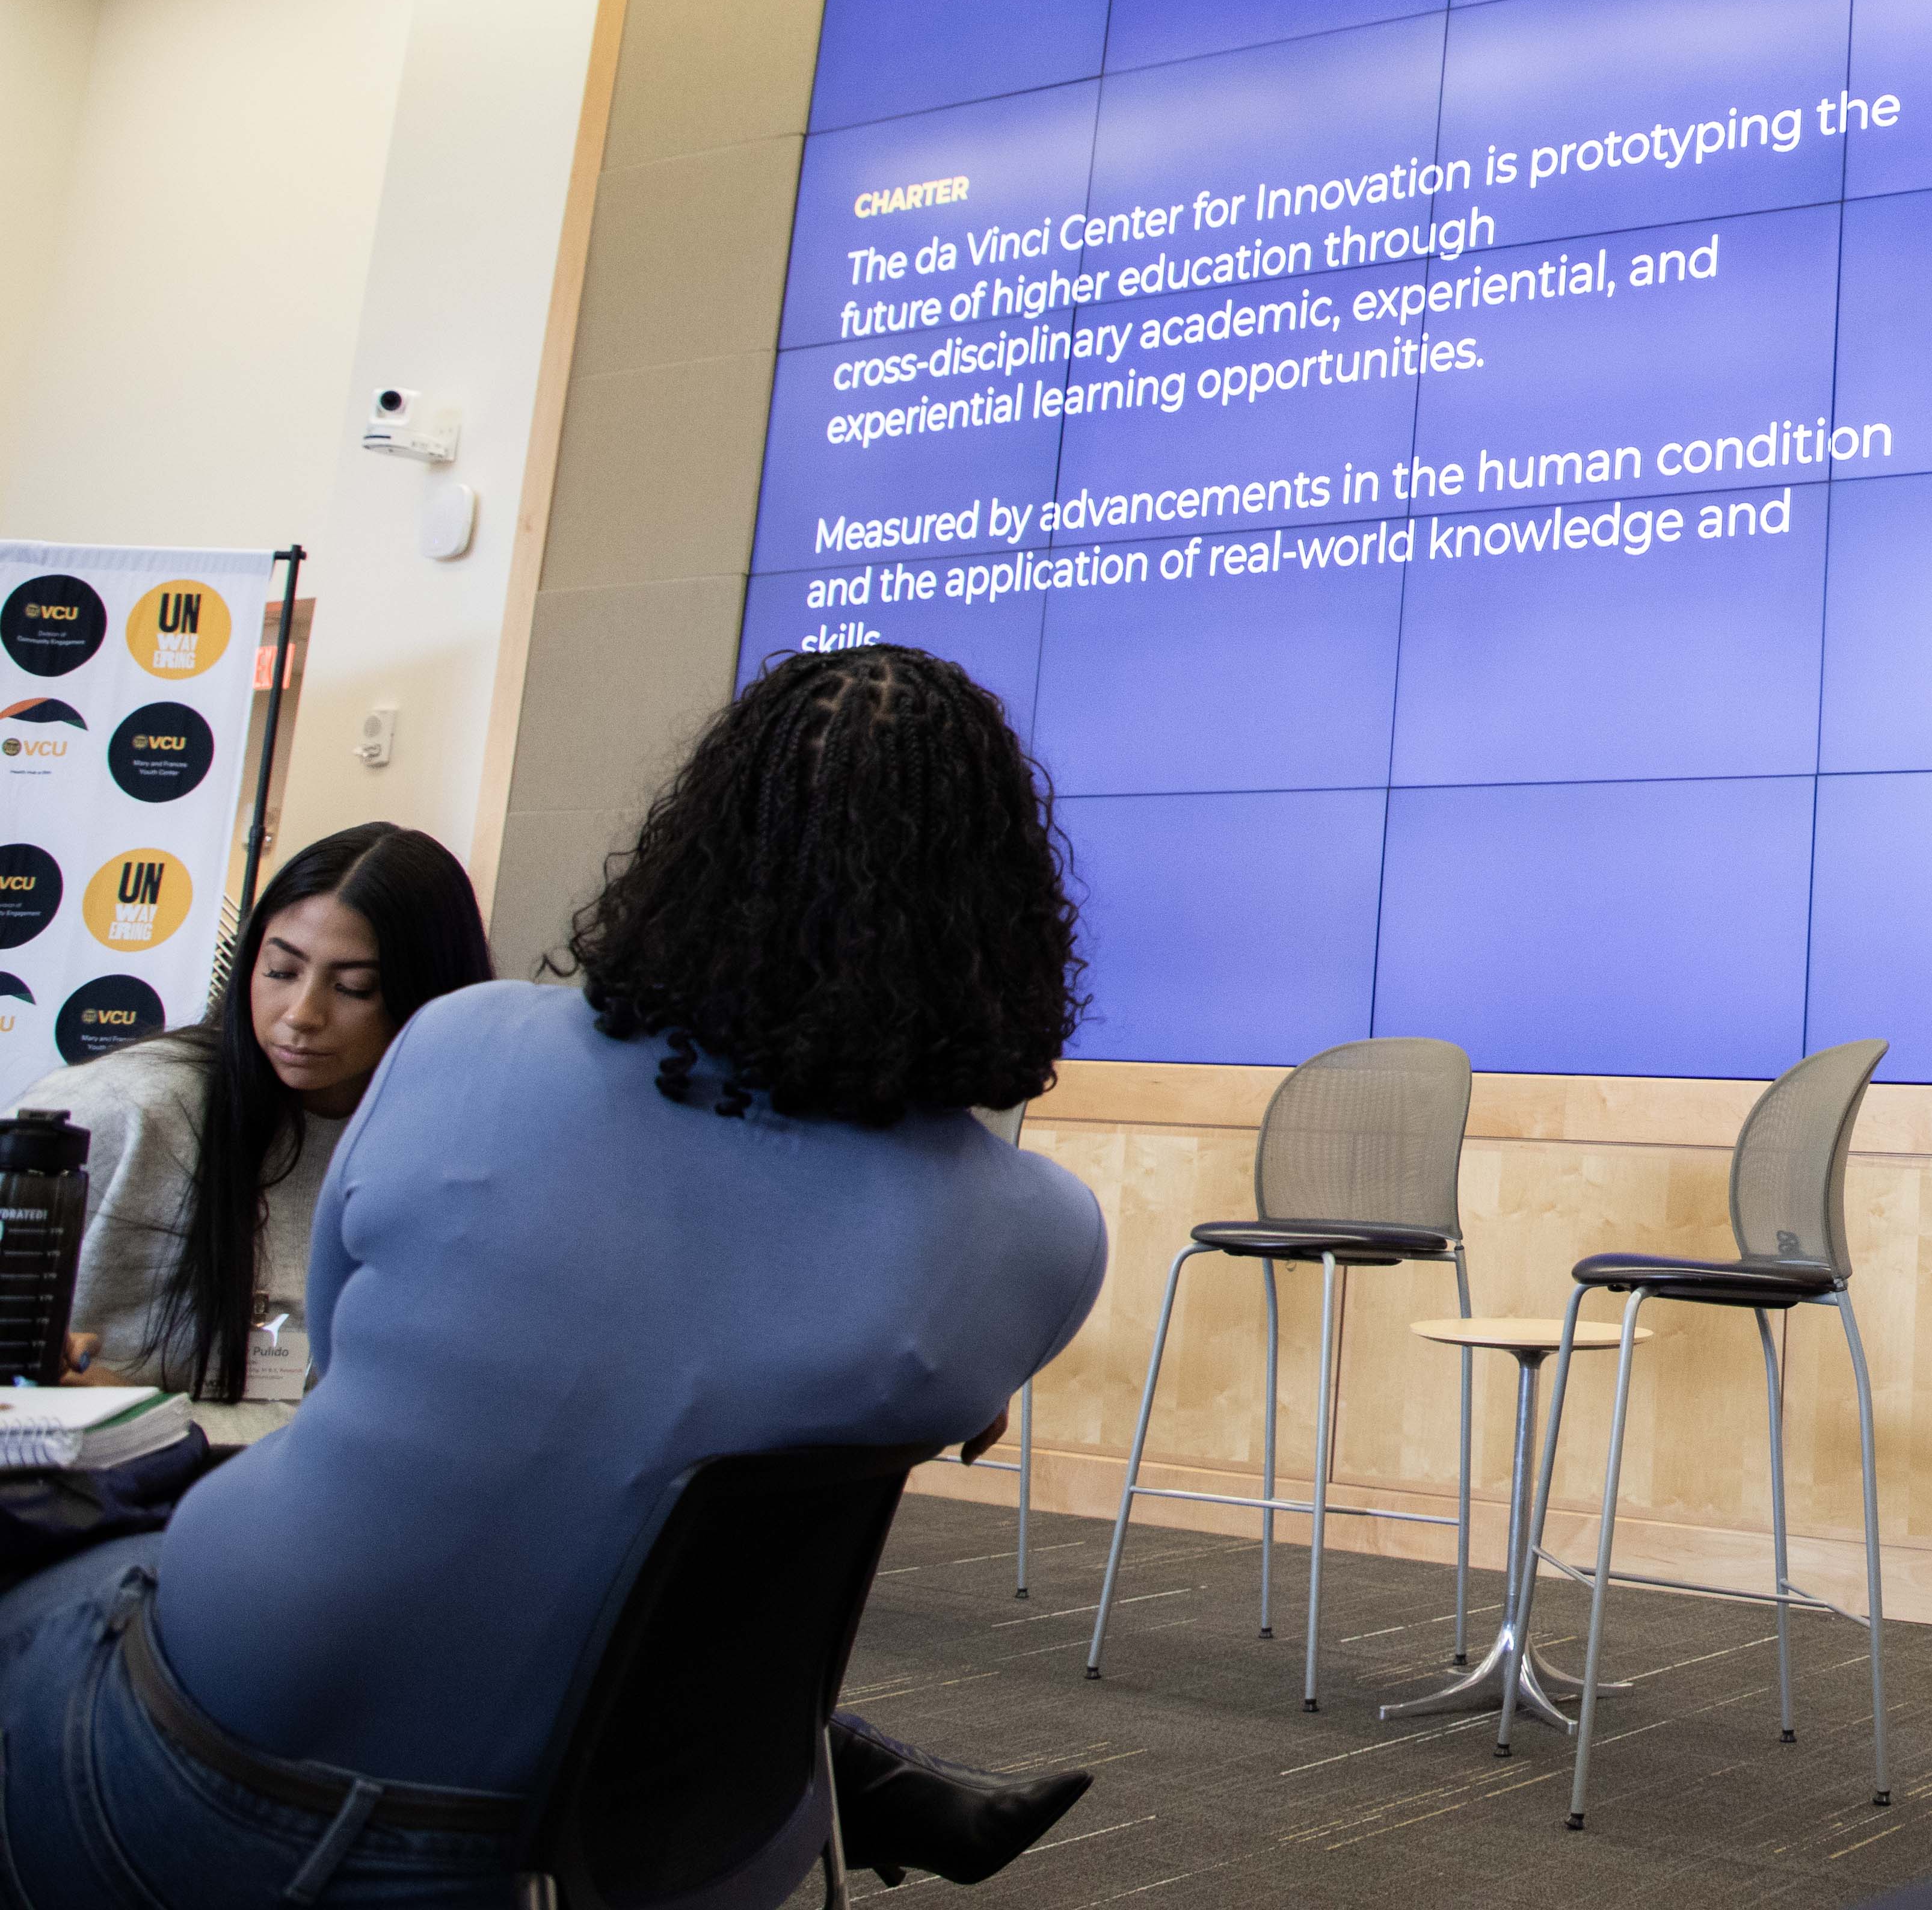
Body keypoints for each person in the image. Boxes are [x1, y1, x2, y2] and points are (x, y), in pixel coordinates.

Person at [0, 644, 1113, 1905]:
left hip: (213, 1768)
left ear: (693, 848)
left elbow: (337, 1344)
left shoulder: (467, 1043)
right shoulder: (1041, 1235)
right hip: (633, 1838)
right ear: (1000, 910)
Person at [25, 823, 490, 1441]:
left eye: (354, 987)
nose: (301, 1016)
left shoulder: (448, 1163)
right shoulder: (121, 1109)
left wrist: (151, 1421)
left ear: (428, 994)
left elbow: (372, 1426)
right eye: (279, 971)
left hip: (262, 1496)